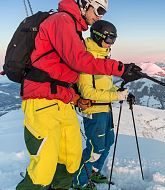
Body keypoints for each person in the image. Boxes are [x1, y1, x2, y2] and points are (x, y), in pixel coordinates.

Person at [16, 0, 142, 189]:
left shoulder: (74, 29)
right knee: (43, 168)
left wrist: (75, 98)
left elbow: (63, 75)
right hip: (42, 101)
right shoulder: (62, 20)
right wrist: (120, 68)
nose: (100, 16)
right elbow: (79, 61)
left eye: (104, 13)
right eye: (98, 10)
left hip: (62, 101)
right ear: (85, 4)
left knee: (71, 160)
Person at [73, 20, 125, 189]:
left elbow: (107, 86)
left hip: (106, 108)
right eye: (109, 39)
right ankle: (79, 181)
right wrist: (115, 95)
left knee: (108, 141)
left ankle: (93, 172)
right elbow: (87, 92)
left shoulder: (103, 57)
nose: (111, 43)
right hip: (94, 111)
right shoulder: (86, 58)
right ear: (98, 36)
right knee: (95, 148)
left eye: (114, 39)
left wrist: (121, 92)